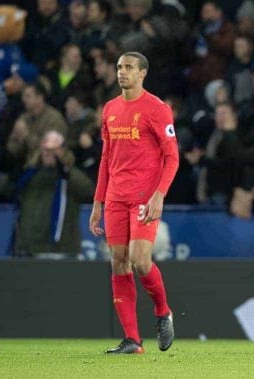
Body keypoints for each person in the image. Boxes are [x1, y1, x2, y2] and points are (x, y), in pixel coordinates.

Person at [89, 52, 178, 354]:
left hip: (144, 197)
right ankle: (132, 340)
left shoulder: (157, 109)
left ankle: (163, 312)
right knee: (118, 260)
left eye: (128, 67)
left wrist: (159, 194)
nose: (122, 72)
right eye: (118, 67)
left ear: (142, 74)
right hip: (115, 196)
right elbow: (105, 158)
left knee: (140, 260)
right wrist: (98, 201)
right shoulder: (110, 109)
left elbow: (172, 157)